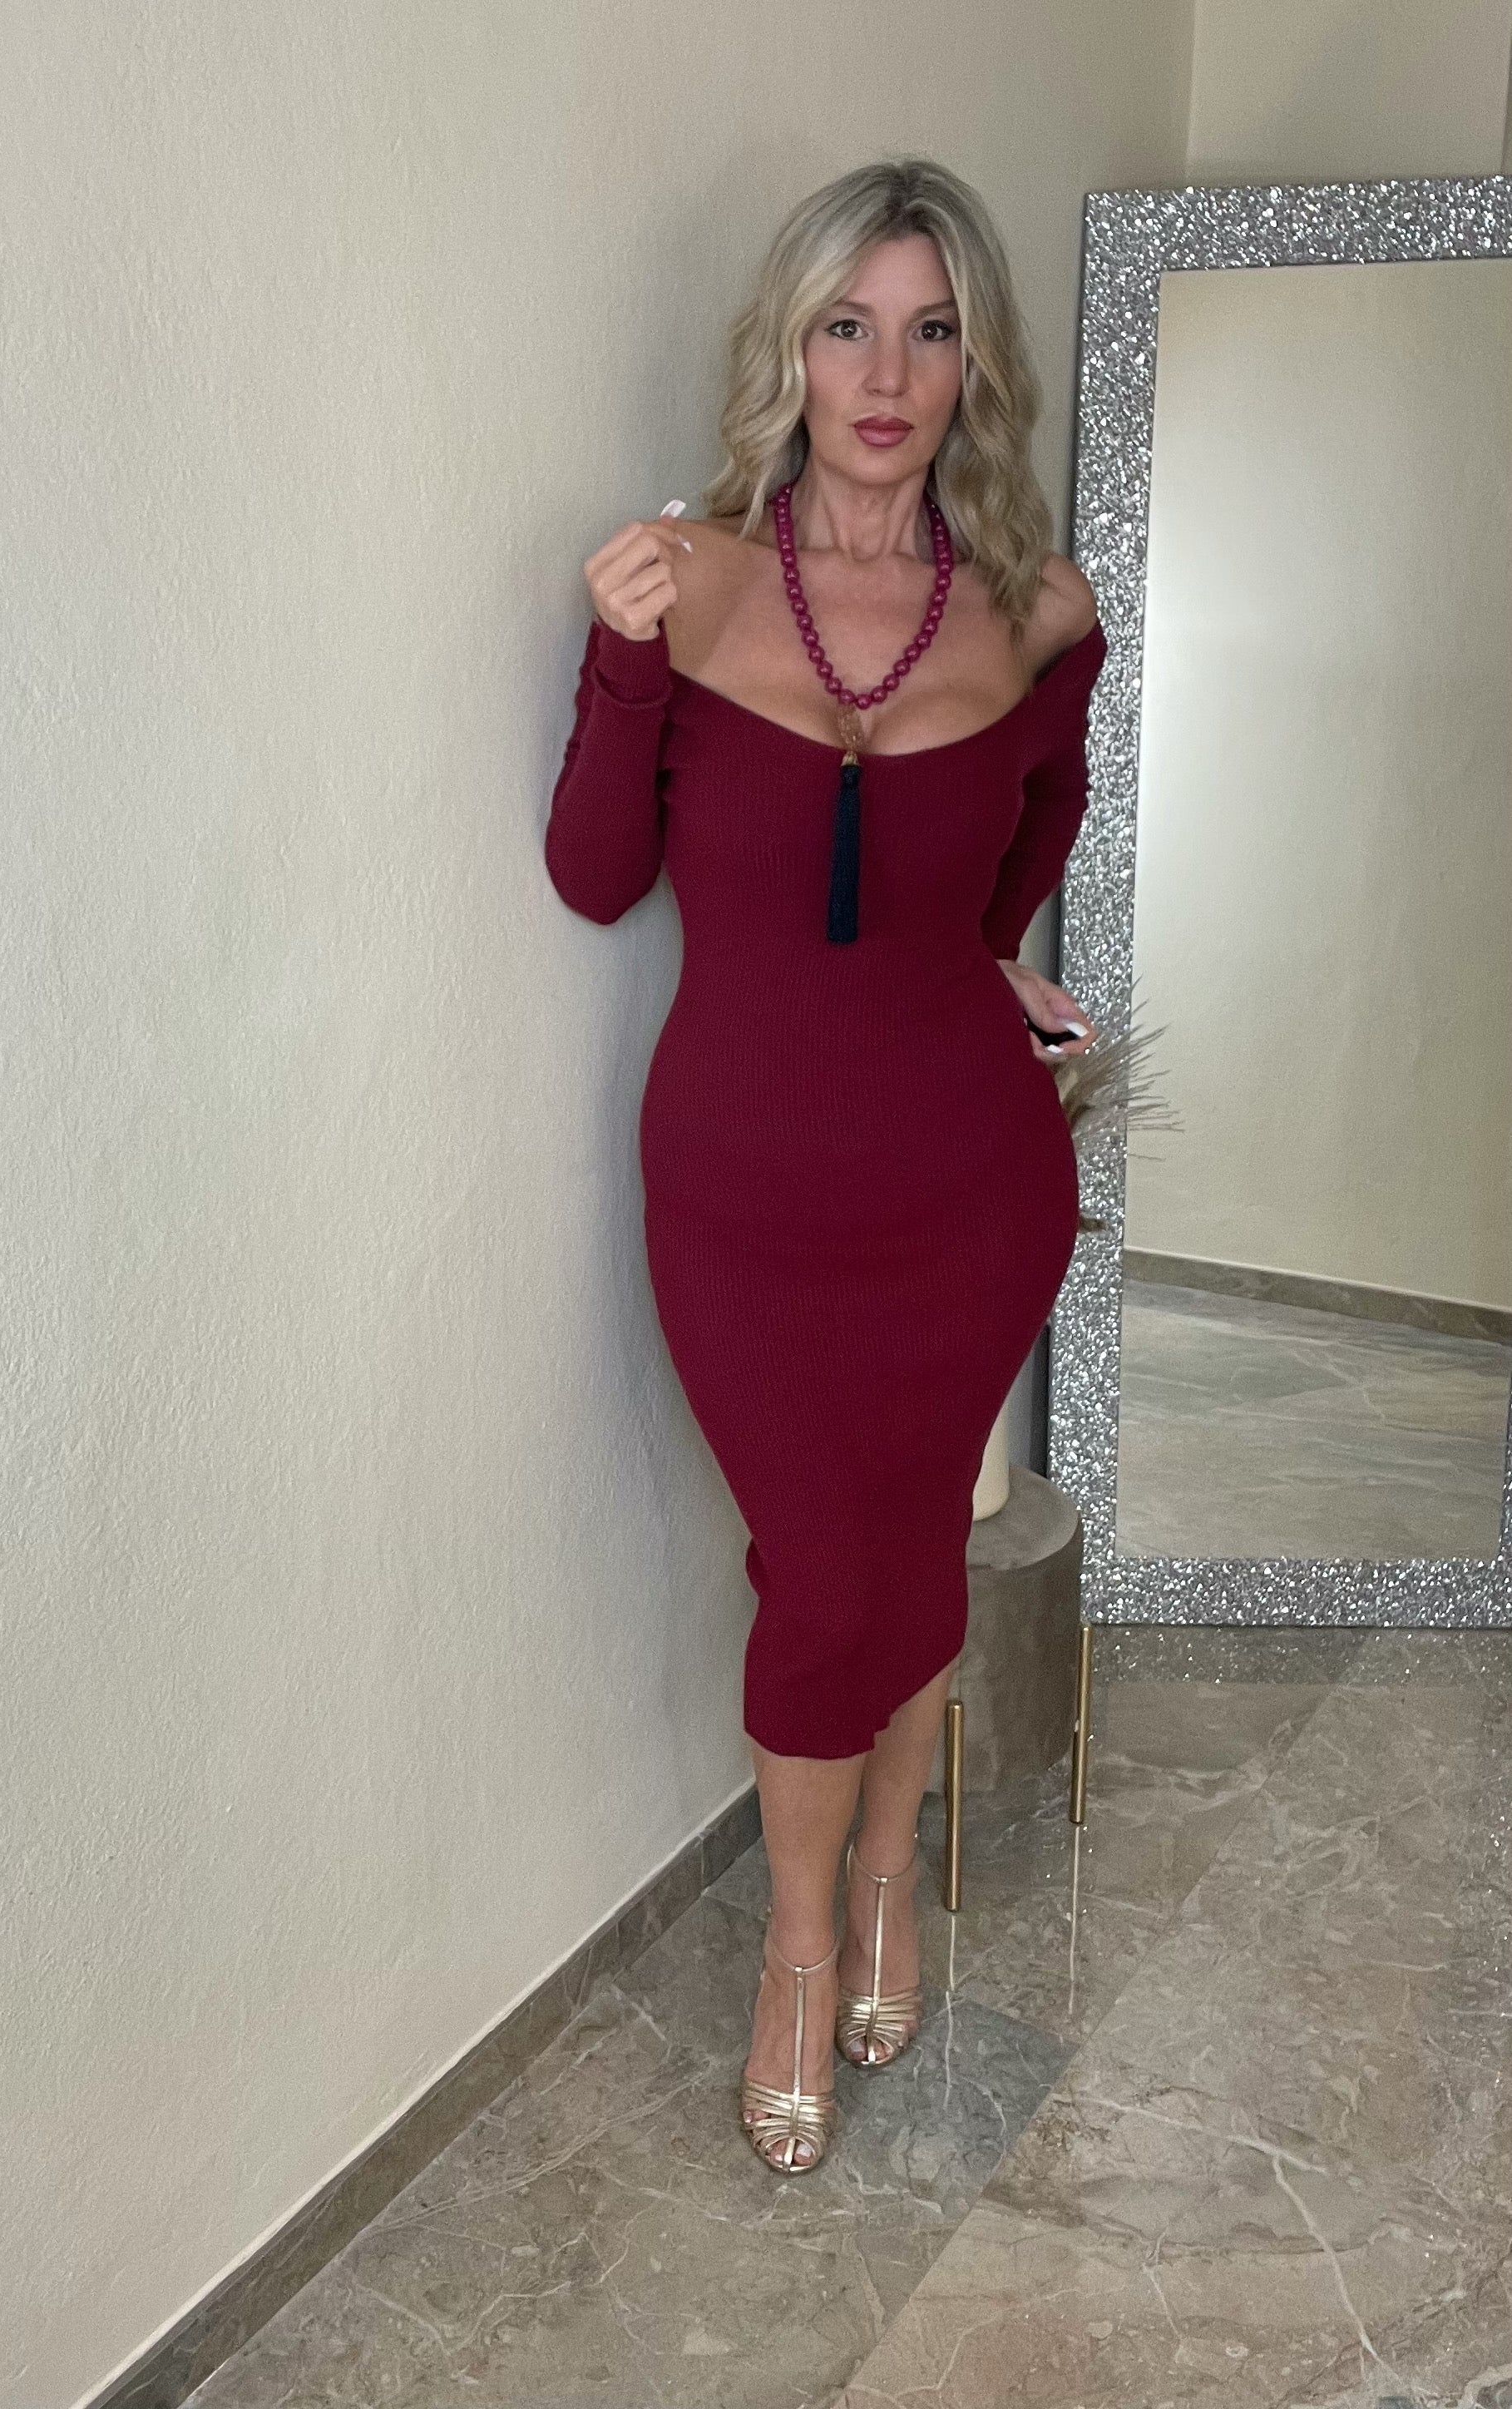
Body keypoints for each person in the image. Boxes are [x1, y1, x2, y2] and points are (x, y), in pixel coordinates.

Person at [543, 157, 1105, 2174]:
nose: (886, 374)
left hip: (966, 1188)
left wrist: (983, 968)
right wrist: (620, 662)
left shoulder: (1040, 615)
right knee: (817, 1569)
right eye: (847, 325)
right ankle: (800, 1941)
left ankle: (883, 1885)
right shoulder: (684, 582)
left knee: (916, 1548)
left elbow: (1026, 846)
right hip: (743, 1197)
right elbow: (595, 874)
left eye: (932, 330)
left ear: (977, 366)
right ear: (789, 349)